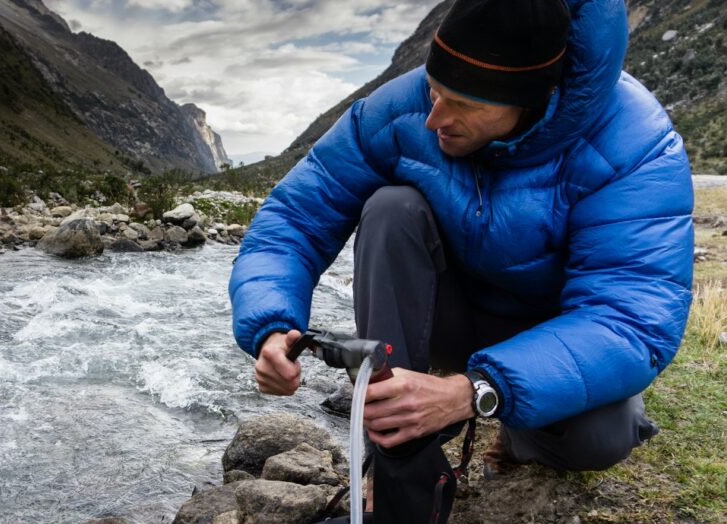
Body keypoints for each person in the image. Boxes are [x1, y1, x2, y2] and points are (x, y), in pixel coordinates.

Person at [229, 0, 694, 476]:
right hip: (442, 314)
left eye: (465, 105)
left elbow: (630, 320)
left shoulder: (633, 144)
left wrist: (476, 390)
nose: (434, 120)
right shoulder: (402, 109)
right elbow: (294, 218)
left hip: (546, 331)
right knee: (390, 209)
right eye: (434, 92)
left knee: (598, 441)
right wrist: (270, 324)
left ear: (532, 101)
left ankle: (510, 425)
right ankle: (395, 451)